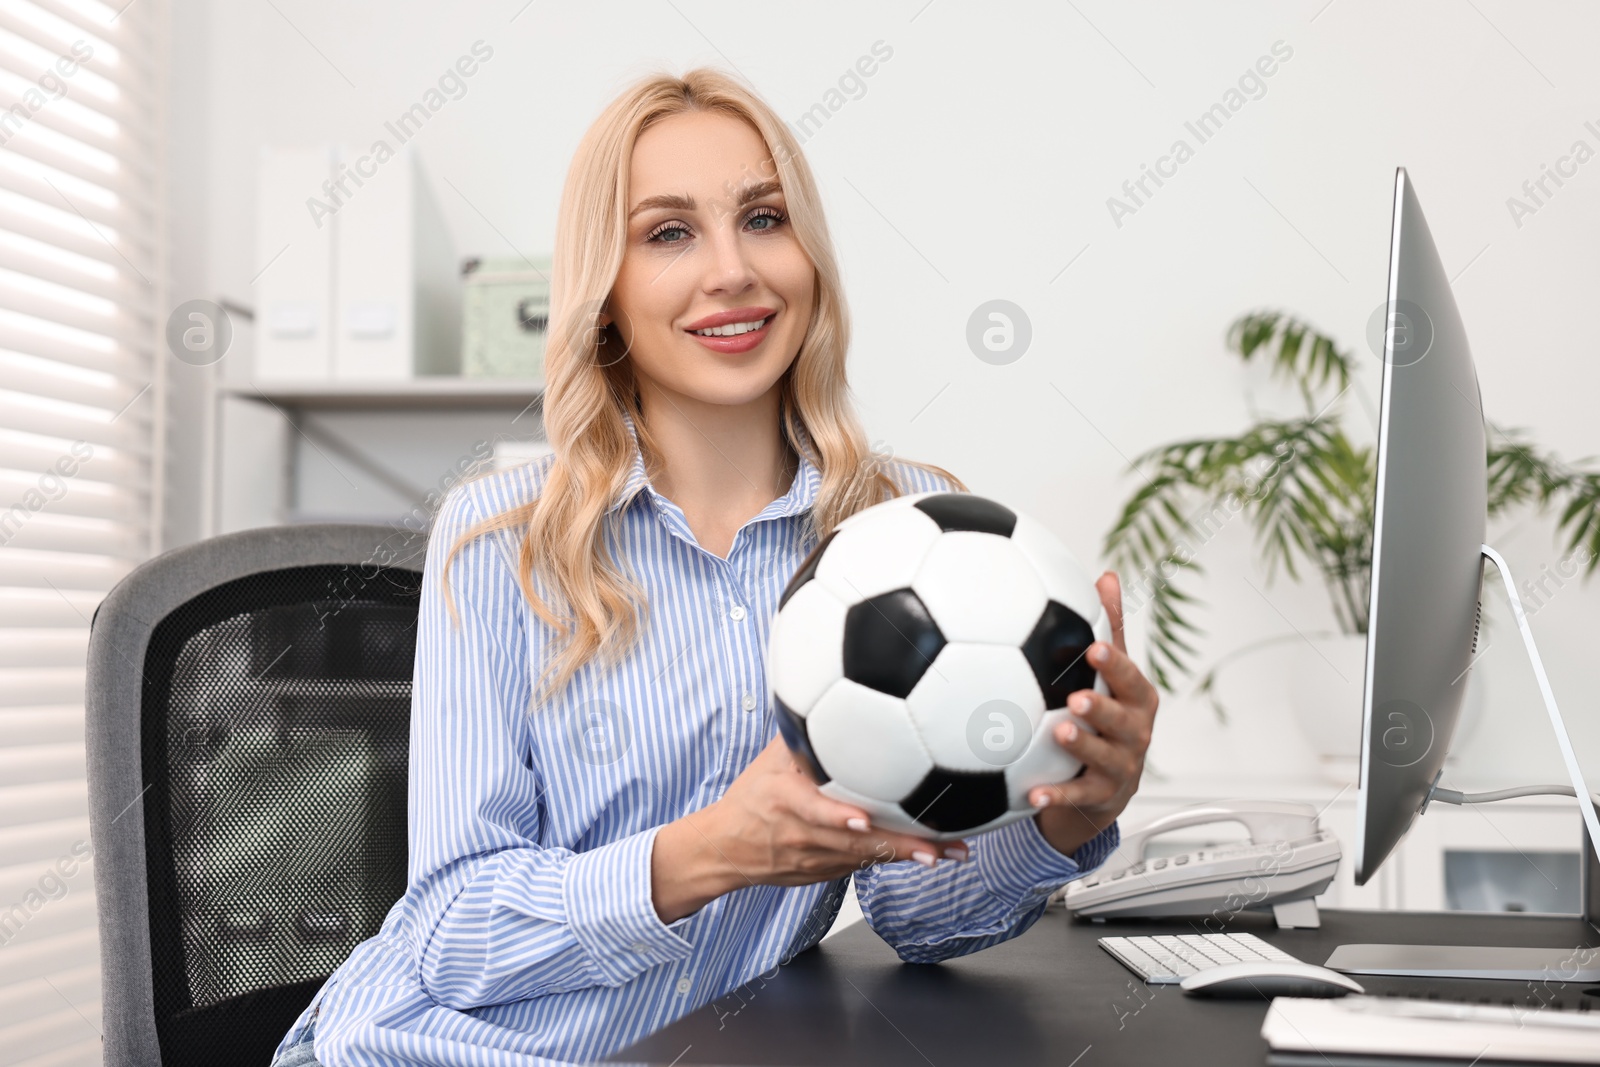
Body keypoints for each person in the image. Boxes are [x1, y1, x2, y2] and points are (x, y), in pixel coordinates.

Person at [269, 67, 1158, 1067]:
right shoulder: (497, 539)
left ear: (810, 257)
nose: (732, 270)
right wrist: (707, 852)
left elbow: (916, 911)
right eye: (668, 232)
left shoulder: (906, 530)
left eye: (763, 218)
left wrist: (1067, 812)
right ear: (603, 292)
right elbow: (450, 932)